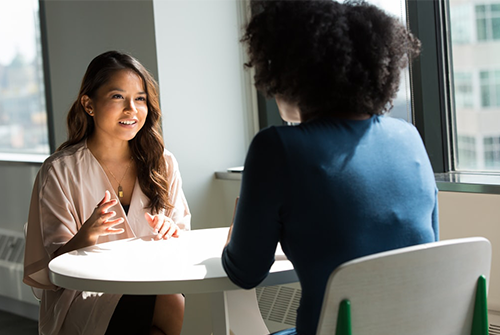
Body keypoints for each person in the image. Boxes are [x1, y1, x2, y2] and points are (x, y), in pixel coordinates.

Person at [221, 1, 438, 335]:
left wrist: (238, 230)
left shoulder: (277, 148)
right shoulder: (409, 138)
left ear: (289, 73)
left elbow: (245, 273)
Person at [23, 51, 191, 335]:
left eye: (140, 98)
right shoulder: (60, 171)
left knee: (167, 303)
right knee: (170, 303)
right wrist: (86, 235)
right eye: (117, 97)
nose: (132, 109)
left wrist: (171, 230)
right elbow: (54, 271)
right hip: (85, 296)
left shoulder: (162, 162)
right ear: (89, 104)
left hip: (151, 284)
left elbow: (184, 242)